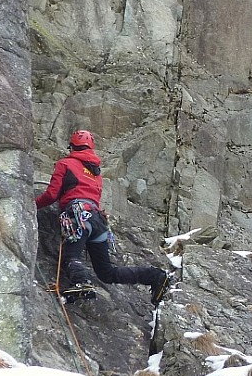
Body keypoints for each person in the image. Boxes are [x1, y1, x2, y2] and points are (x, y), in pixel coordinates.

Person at [36, 130, 172, 305]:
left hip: (78, 216)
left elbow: (51, 194)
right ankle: (154, 276)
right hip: (98, 220)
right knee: (107, 273)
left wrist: (33, 204)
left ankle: (81, 282)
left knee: (71, 258)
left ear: (72, 147)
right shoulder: (96, 173)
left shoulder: (65, 164)